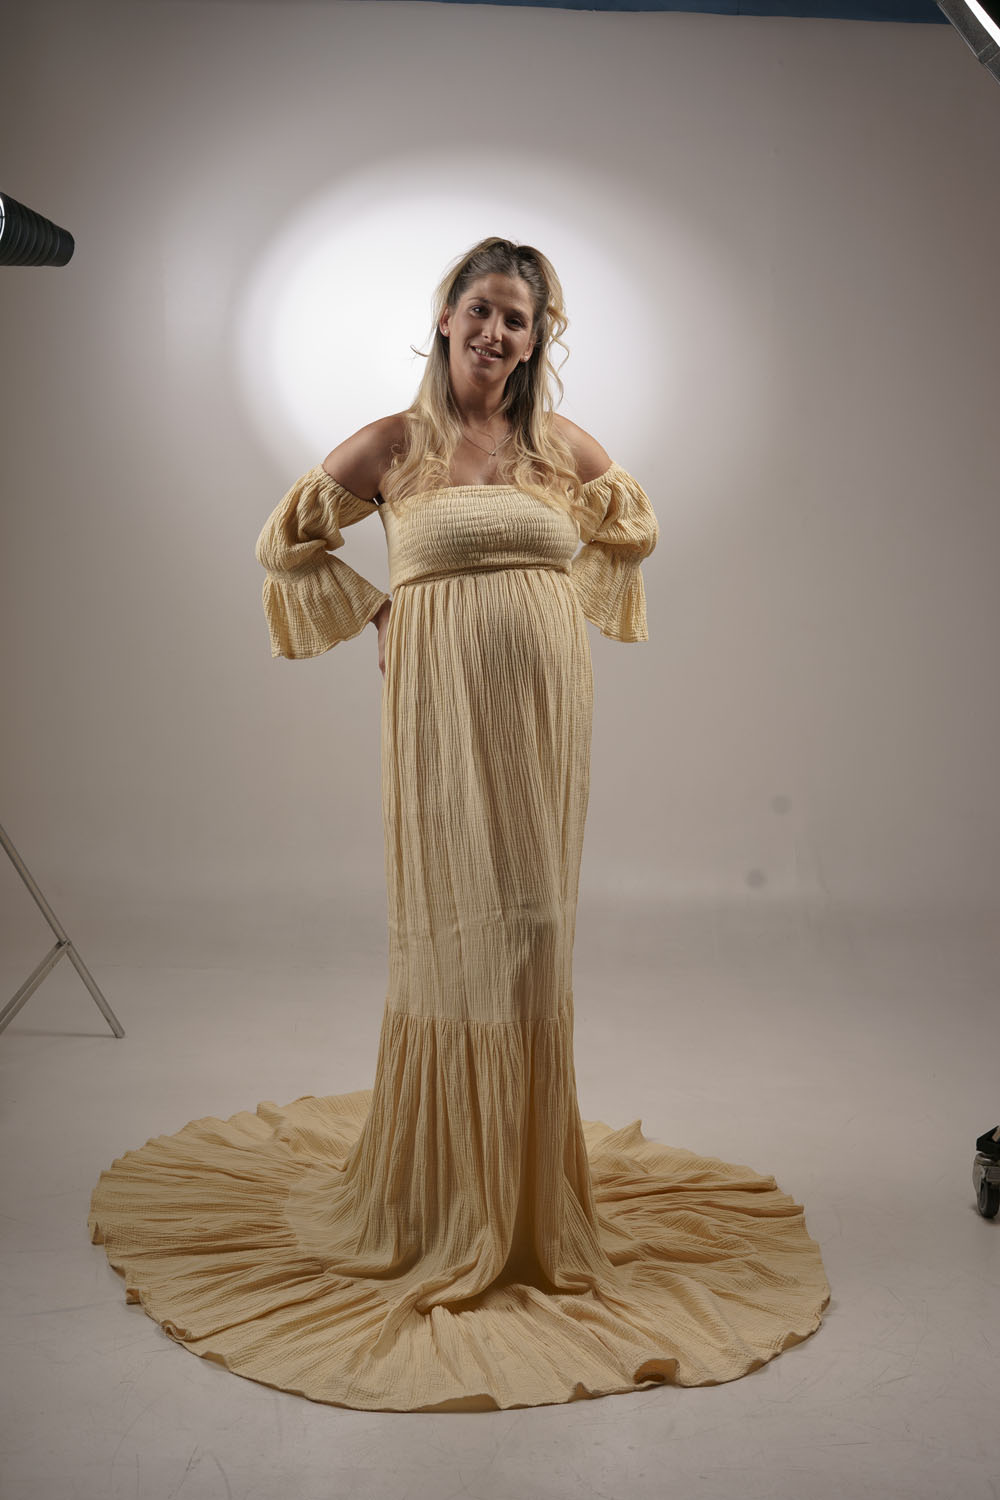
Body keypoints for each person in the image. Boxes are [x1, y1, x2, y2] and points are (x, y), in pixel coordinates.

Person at [88, 237, 830, 1413]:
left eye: (518, 320)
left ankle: (527, 1202)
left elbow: (633, 527)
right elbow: (285, 542)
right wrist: (380, 611)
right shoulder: (392, 445)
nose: (495, 333)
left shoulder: (557, 448)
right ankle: (444, 1198)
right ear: (445, 316)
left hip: (544, 715)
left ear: (537, 340)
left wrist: (549, 603)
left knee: (531, 935)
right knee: (455, 934)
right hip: (437, 715)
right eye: (481, 310)